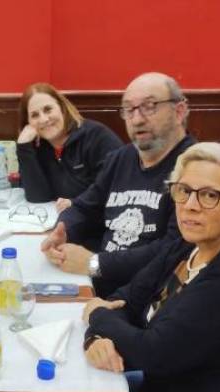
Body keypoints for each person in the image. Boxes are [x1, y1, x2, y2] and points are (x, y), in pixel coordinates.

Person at [82, 142, 220, 392]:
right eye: (184, 191)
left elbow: (154, 353)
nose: (190, 205)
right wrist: (95, 339)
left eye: (210, 195)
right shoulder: (185, 246)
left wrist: (96, 315)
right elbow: (123, 300)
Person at [42, 72, 196, 297]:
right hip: (95, 283)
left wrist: (96, 263)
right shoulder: (120, 159)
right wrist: (63, 232)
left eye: (150, 106)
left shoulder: (196, 167)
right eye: (129, 109)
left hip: (145, 299)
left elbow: (174, 249)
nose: (137, 119)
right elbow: (84, 207)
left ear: (179, 111)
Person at [16, 82, 123, 211]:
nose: (43, 119)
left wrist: (76, 203)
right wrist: (23, 148)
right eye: (35, 115)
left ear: (62, 108)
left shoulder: (97, 136)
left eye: (48, 109)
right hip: (58, 223)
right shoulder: (34, 147)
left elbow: (116, 188)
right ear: (28, 123)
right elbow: (38, 197)